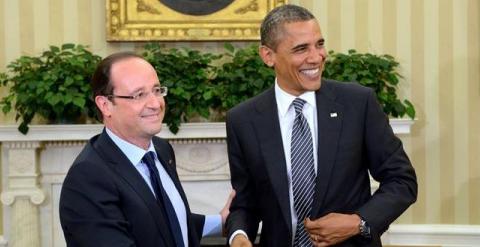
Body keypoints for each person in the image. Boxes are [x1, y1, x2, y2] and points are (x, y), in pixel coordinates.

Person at [225, 4, 417, 247]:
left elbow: (402, 181)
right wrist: (239, 236)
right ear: (268, 56)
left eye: (319, 44)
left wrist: (358, 222)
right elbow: (245, 202)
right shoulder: (243, 120)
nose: (316, 57)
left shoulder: (358, 104)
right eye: (301, 49)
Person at [59, 52, 234, 247]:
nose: (155, 104)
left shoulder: (161, 150)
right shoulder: (88, 177)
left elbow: (160, 222)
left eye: (157, 90)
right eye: (139, 95)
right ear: (105, 105)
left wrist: (220, 222)